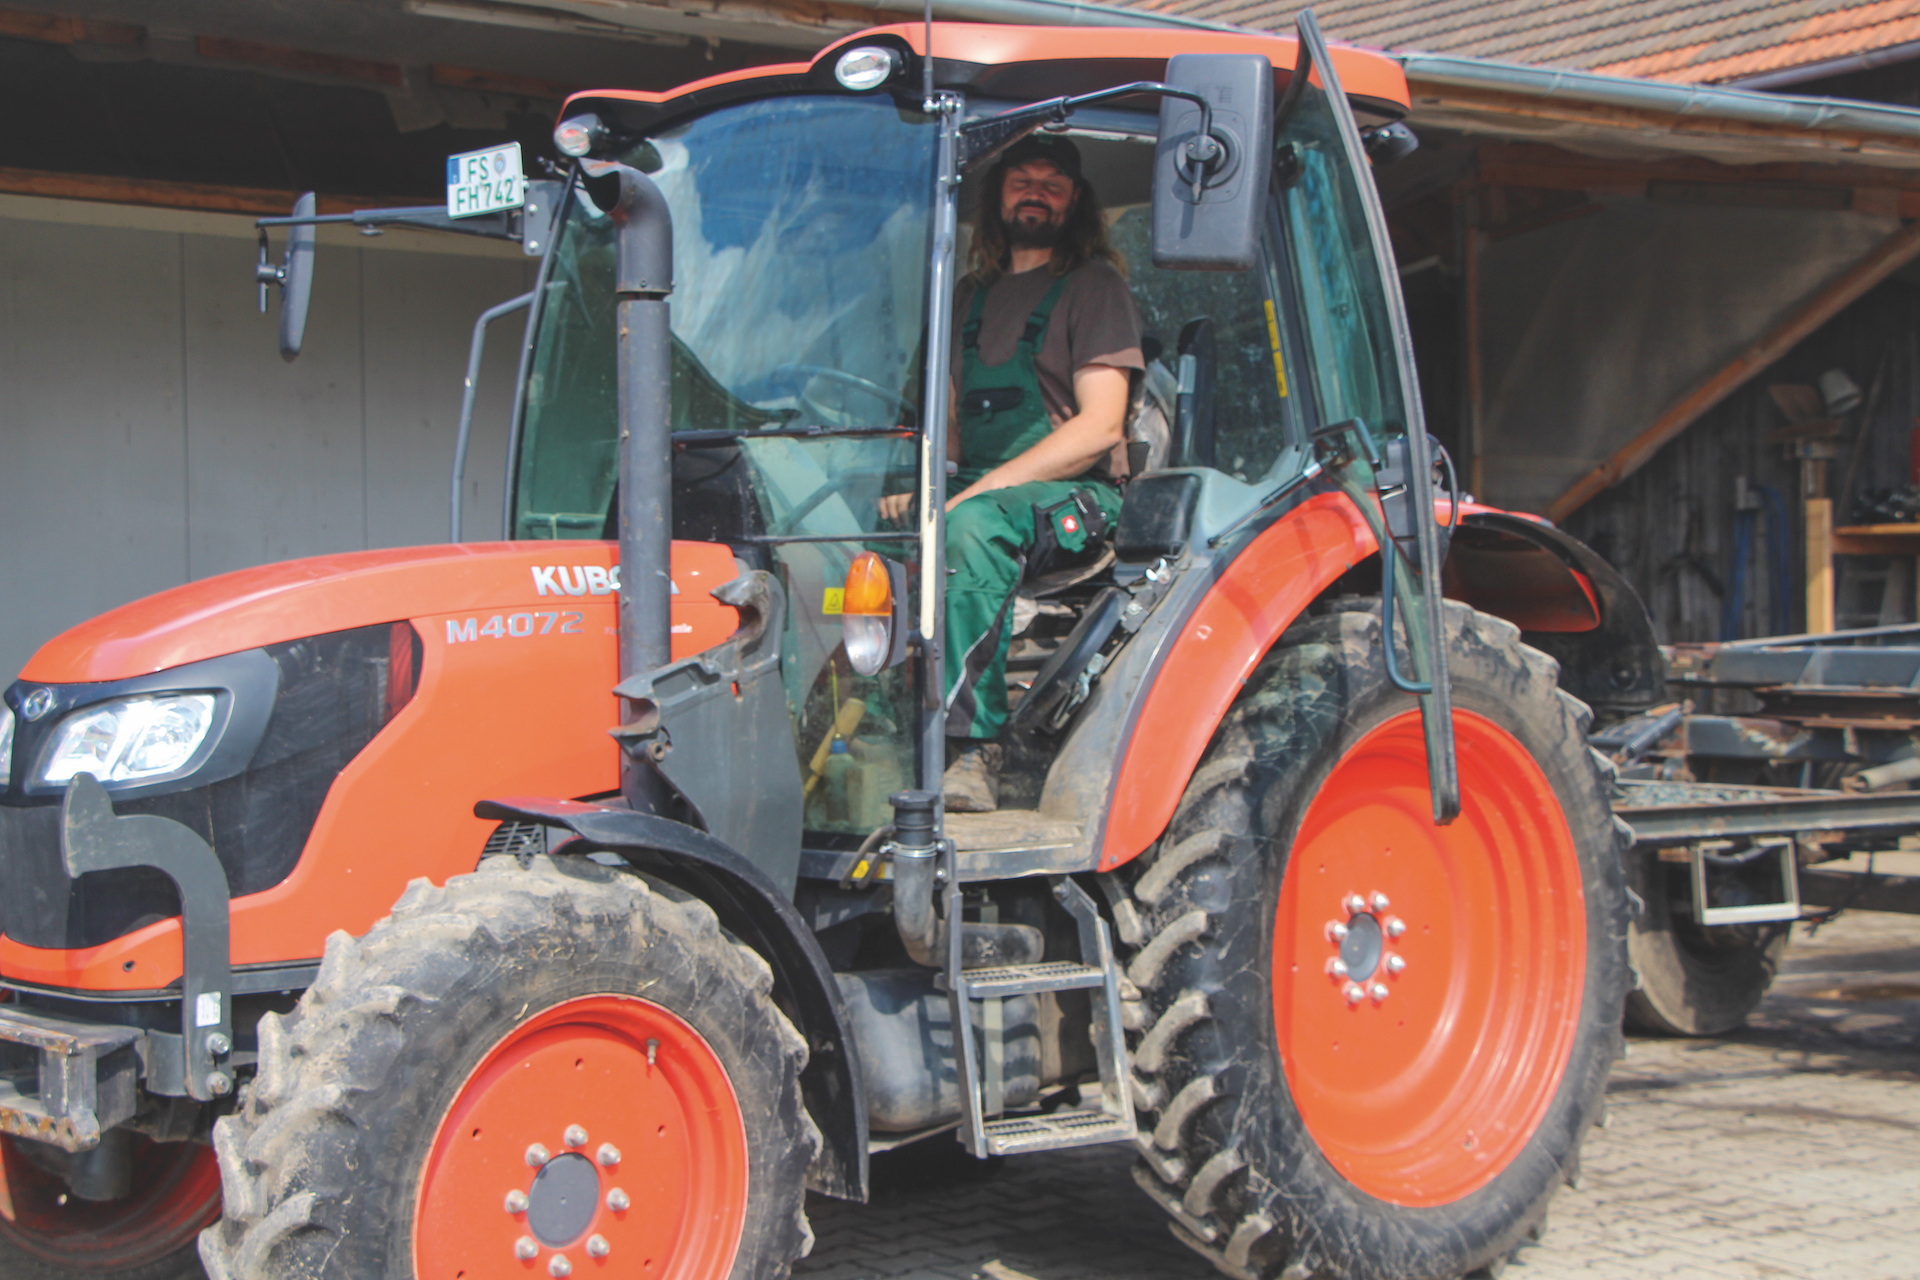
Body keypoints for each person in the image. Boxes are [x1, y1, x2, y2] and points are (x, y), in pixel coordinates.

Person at [881, 134, 1143, 813]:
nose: (1035, 192)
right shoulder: (968, 295)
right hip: (981, 492)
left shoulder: (1094, 288)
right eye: (1021, 179)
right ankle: (860, 735)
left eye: (1052, 183)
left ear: (1075, 201)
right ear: (997, 197)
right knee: (851, 534)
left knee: (968, 526)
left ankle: (974, 748)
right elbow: (949, 425)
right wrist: (923, 485)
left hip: (1076, 501)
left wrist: (977, 491)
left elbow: (1101, 426)